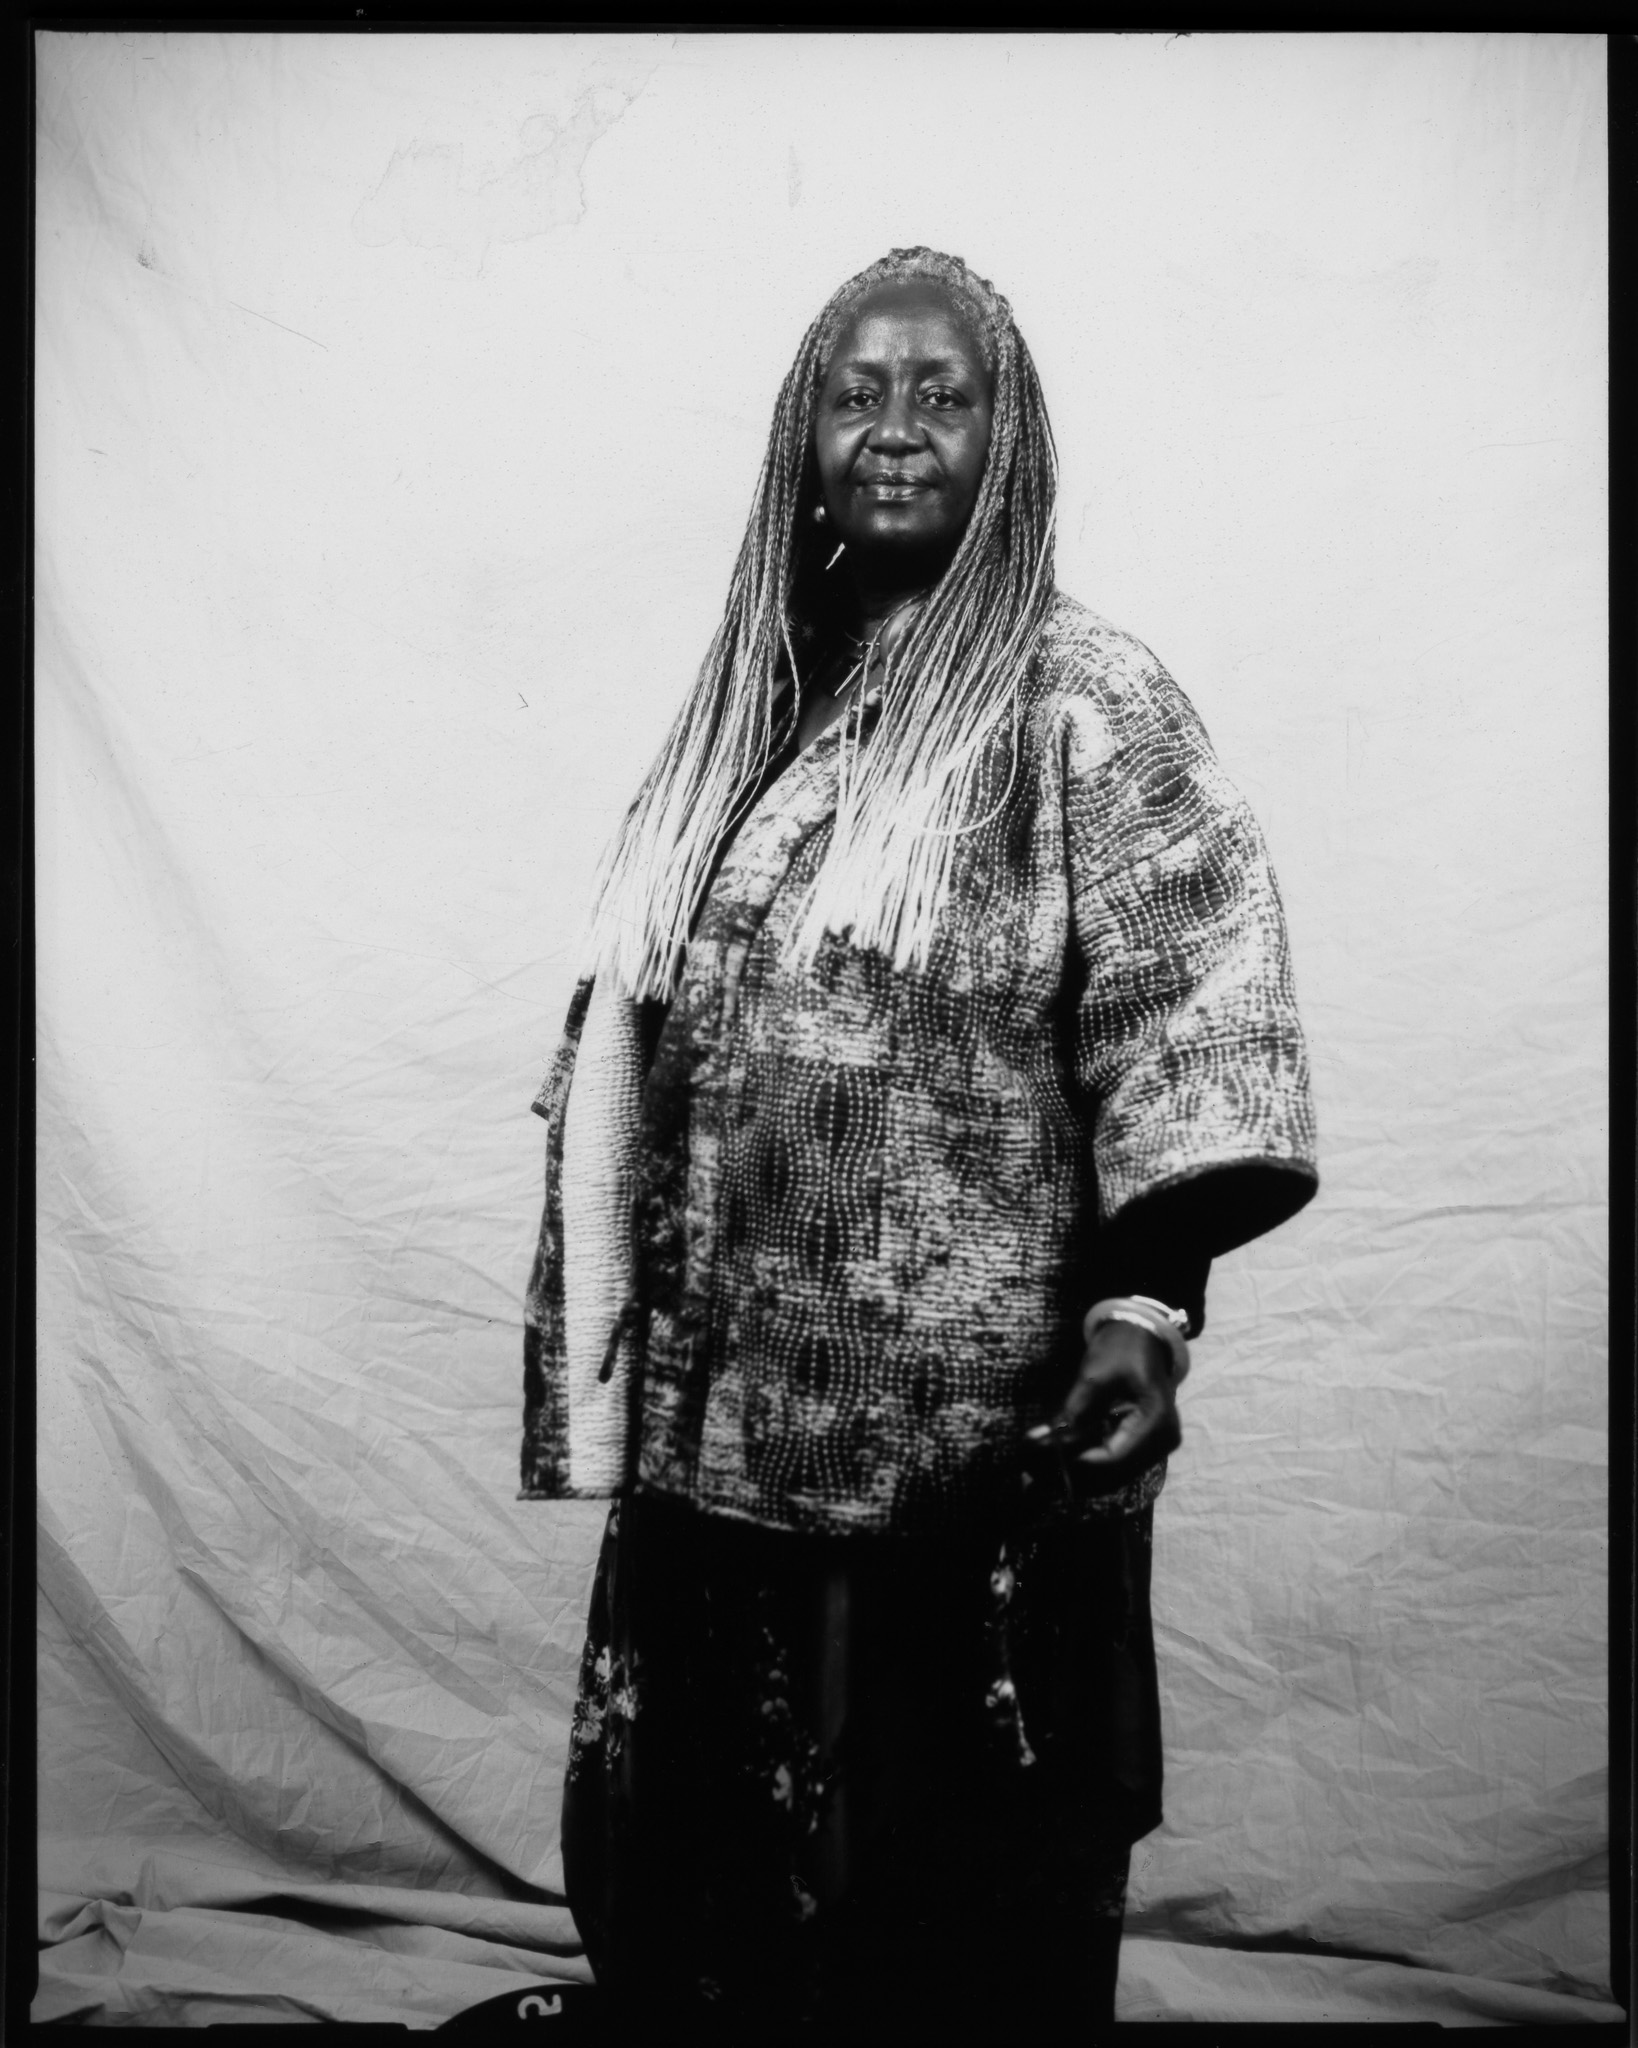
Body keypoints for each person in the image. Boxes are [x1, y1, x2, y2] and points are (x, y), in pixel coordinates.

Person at [521, 248, 1317, 2042]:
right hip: (720, 1422)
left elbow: (1194, 1008)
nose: (894, 430)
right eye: (855, 392)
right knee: (713, 1870)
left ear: (1005, 436)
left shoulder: (1080, 700)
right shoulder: (752, 703)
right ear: (802, 434)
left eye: (938, 394)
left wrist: (1147, 1304)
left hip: (957, 1434)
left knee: (943, 1888)